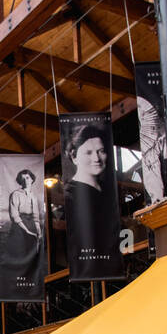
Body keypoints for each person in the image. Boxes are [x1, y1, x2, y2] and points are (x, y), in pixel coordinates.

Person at [62, 120, 121, 279]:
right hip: (90, 270)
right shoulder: (71, 195)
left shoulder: (108, 189)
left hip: (114, 265)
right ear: (74, 156)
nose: (97, 158)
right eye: (88, 152)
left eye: (101, 151)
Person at [2, 169, 44, 292]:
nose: (26, 180)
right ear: (20, 181)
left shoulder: (34, 196)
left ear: (32, 179)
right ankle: (17, 285)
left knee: (33, 253)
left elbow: (36, 216)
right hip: (19, 226)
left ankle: (31, 283)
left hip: (31, 224)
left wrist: (38, 232)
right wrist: (26, 230)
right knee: (20, 252)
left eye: (28, 177)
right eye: (23, 178)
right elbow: (14, 215)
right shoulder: (15, 194)